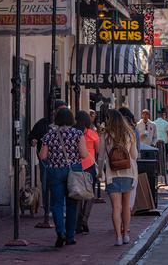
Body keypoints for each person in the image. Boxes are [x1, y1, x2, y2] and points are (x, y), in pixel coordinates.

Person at [39, 108, 90, 247]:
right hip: (73, 170)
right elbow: (84, 154)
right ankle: (70, 236)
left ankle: (60, 232)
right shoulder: (77, 134)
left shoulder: (49, 135)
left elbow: (42, 156)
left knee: (57, 204)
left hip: (55, 171)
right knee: (72, 204)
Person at [98, 109, 139, 246]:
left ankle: (118, 237)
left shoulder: (106, 134)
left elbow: (101, 156)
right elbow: (134, 156)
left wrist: (99, 171)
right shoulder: (130, 134)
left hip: (112, 174)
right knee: (126, 206)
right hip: (128, 173)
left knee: (116, 207)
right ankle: (126, 234)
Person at [28, 99, 68, 227]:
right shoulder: (43, 124)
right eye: (60, 110)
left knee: (63, 186)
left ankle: (60, 209)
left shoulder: (69, 126)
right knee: (46, 185)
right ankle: (48, 209)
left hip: (62, 162)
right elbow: (32, 136)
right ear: (54, 111)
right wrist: (33, 140)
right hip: (45, 162)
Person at [75, 110, 99, 234]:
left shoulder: (74, 133)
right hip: (89, 166)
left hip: (77, 166)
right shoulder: (92, 133)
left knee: (78, 194)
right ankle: (84, 219)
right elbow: (98, 149)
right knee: (89, 194)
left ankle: (77, 222)